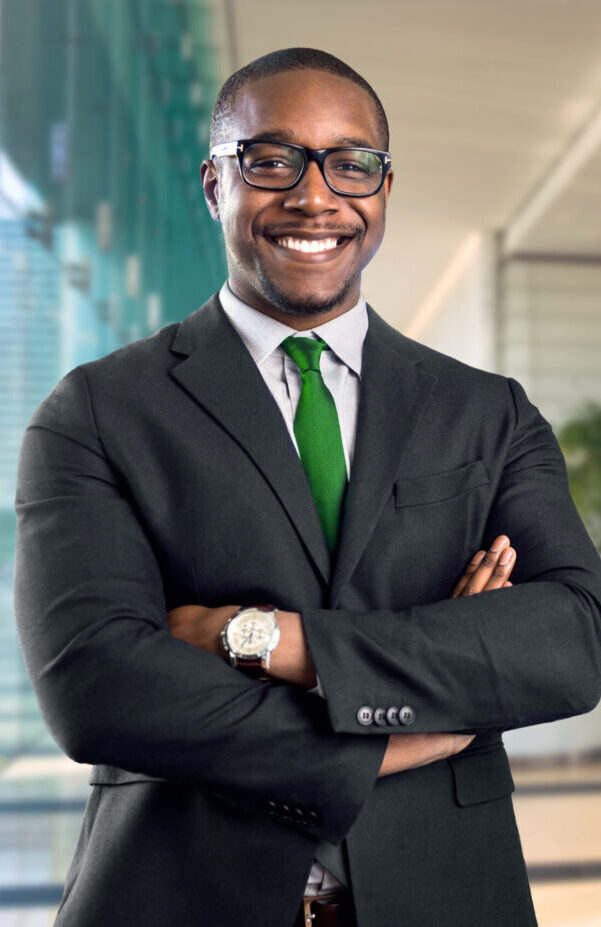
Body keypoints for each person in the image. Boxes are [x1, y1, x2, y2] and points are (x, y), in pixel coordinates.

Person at [13, 47, 601, 927]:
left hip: (446, 896)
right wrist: (403, 732)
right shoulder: (98, 411)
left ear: (384, 191)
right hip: (178, 896)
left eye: (351, 162)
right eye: (271, 159)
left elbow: (570, 641)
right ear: (214, 185)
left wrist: (263, 638)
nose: (315, 195)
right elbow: (97, 686)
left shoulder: (485, 413)